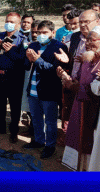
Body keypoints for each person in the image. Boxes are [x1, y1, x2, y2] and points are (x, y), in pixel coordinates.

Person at [22, 20, 68, 159]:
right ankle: (39, 140)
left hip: (49, 91)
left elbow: (55, 69)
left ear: (53, 33)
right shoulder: (33, 45)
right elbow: (26, 66)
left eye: (44, 33)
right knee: (36, 118)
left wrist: (37, 60)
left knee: (50, 121)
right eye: (38, 32)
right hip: (33, 90)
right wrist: (29, 59)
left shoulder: (60, 47)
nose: (40, 35)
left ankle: (50, 146)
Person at [61, 27, 100, 170]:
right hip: (81, 106)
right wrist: (67, 80)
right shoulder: (87, 58)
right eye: (87, 39)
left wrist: (78, 87)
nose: (88, 43)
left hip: (94, 113)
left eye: (92, 39)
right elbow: (77, 80)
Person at [0, 12, 27, 144]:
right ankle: (0, 127)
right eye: (7, 21)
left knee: (15, 105)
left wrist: (10, 50)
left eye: (12, 22)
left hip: (14, 76)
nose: (9, 24)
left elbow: (22, 60)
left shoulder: (22, 39)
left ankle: (14, 131)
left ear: (18, 24)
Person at [57, 10, 100, 133]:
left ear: (97, 21)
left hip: (92, 91)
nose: (82, 25)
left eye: (86, 22)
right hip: (73, 83)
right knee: (70, 117)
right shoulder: (74, 37)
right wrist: (65, 63)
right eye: (80, 22)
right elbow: (70, 58)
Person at [21, 19, 41, 136]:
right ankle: (32, 129)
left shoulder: (49, 46)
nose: (34, 35)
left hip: (42, 83)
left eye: (37, 32)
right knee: (30, 104)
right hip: (30, 80)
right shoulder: (30, 46)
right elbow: (26, 65)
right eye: (32, 32)